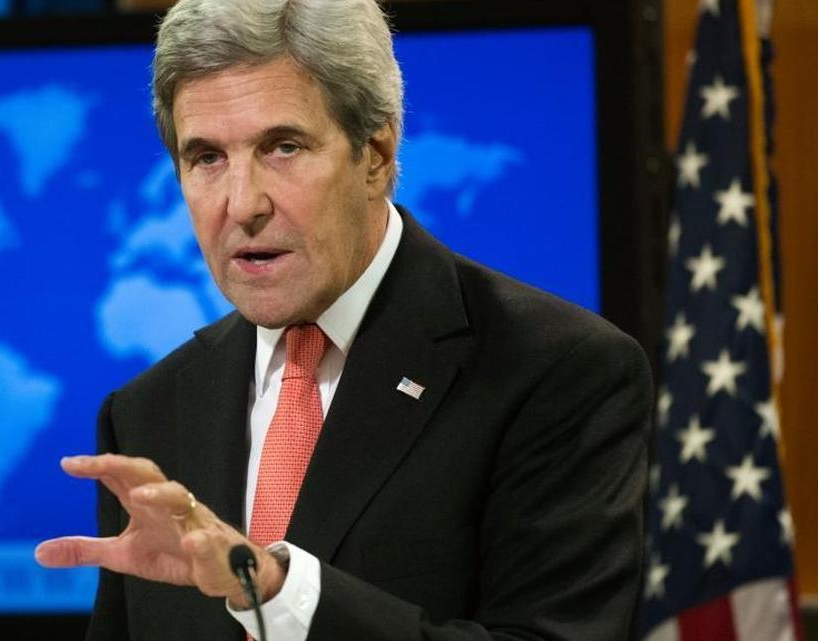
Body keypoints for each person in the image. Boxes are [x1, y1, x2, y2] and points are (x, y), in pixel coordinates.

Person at [35, 0, 653, 639]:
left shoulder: (558, 374)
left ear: (377, 155)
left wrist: (272, 589)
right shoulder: (147, 414)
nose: (242, 205)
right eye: (207, 158)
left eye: (283, 147)